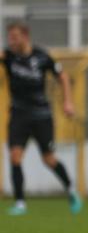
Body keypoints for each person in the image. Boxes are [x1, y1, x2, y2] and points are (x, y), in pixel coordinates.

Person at [2, 22, 80, 216]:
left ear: (25, 36)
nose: (11, 41)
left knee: (49, 159)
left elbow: (62, 76)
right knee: (15, 156)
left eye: (14, 37)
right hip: (18, 114)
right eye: (9, 37)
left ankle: (70, 189)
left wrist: (68, 102)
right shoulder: (8, 56)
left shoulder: (41, 56)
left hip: (41, 116)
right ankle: (20, 203)